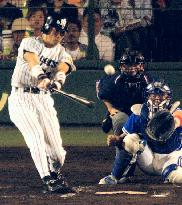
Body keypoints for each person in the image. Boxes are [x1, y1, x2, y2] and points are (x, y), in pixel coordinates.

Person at [8, 15, 76, 193]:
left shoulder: (62, 51)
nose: (58, 35)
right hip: (21, 97)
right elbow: (32, 61)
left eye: (61, 32)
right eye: (55, 30)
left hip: (43, 99)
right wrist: (42, 77)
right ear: (46, 28)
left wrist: (58, 81)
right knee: (35, 136)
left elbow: (65, 66)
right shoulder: (29, 42)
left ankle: (55, 173)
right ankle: (47, 178)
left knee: (58, 154)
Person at [99, 80, 182, 184]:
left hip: (171, 157)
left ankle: (172, 174)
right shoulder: (139, 112)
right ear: (147, 96)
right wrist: (117, 139)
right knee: (130, 140)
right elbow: (124, 136)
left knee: (177, 178)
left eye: (161, 95)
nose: (157, 98)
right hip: (149, 159)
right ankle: (115, 176)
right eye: (153, 95)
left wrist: (172, 122)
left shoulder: (176, 112)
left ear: (168, 97)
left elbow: (179, 118)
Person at [96, 49, 150, 135]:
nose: (132, 67)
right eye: (128, 64)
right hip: (121, 109)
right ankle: (120, 145)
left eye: (135, 64)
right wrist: (111, 109)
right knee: (120, 120)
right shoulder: (115, 80)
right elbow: (103, 94)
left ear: (142, 66)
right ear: (122, 66)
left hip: (141, 112)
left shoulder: (148, 81)